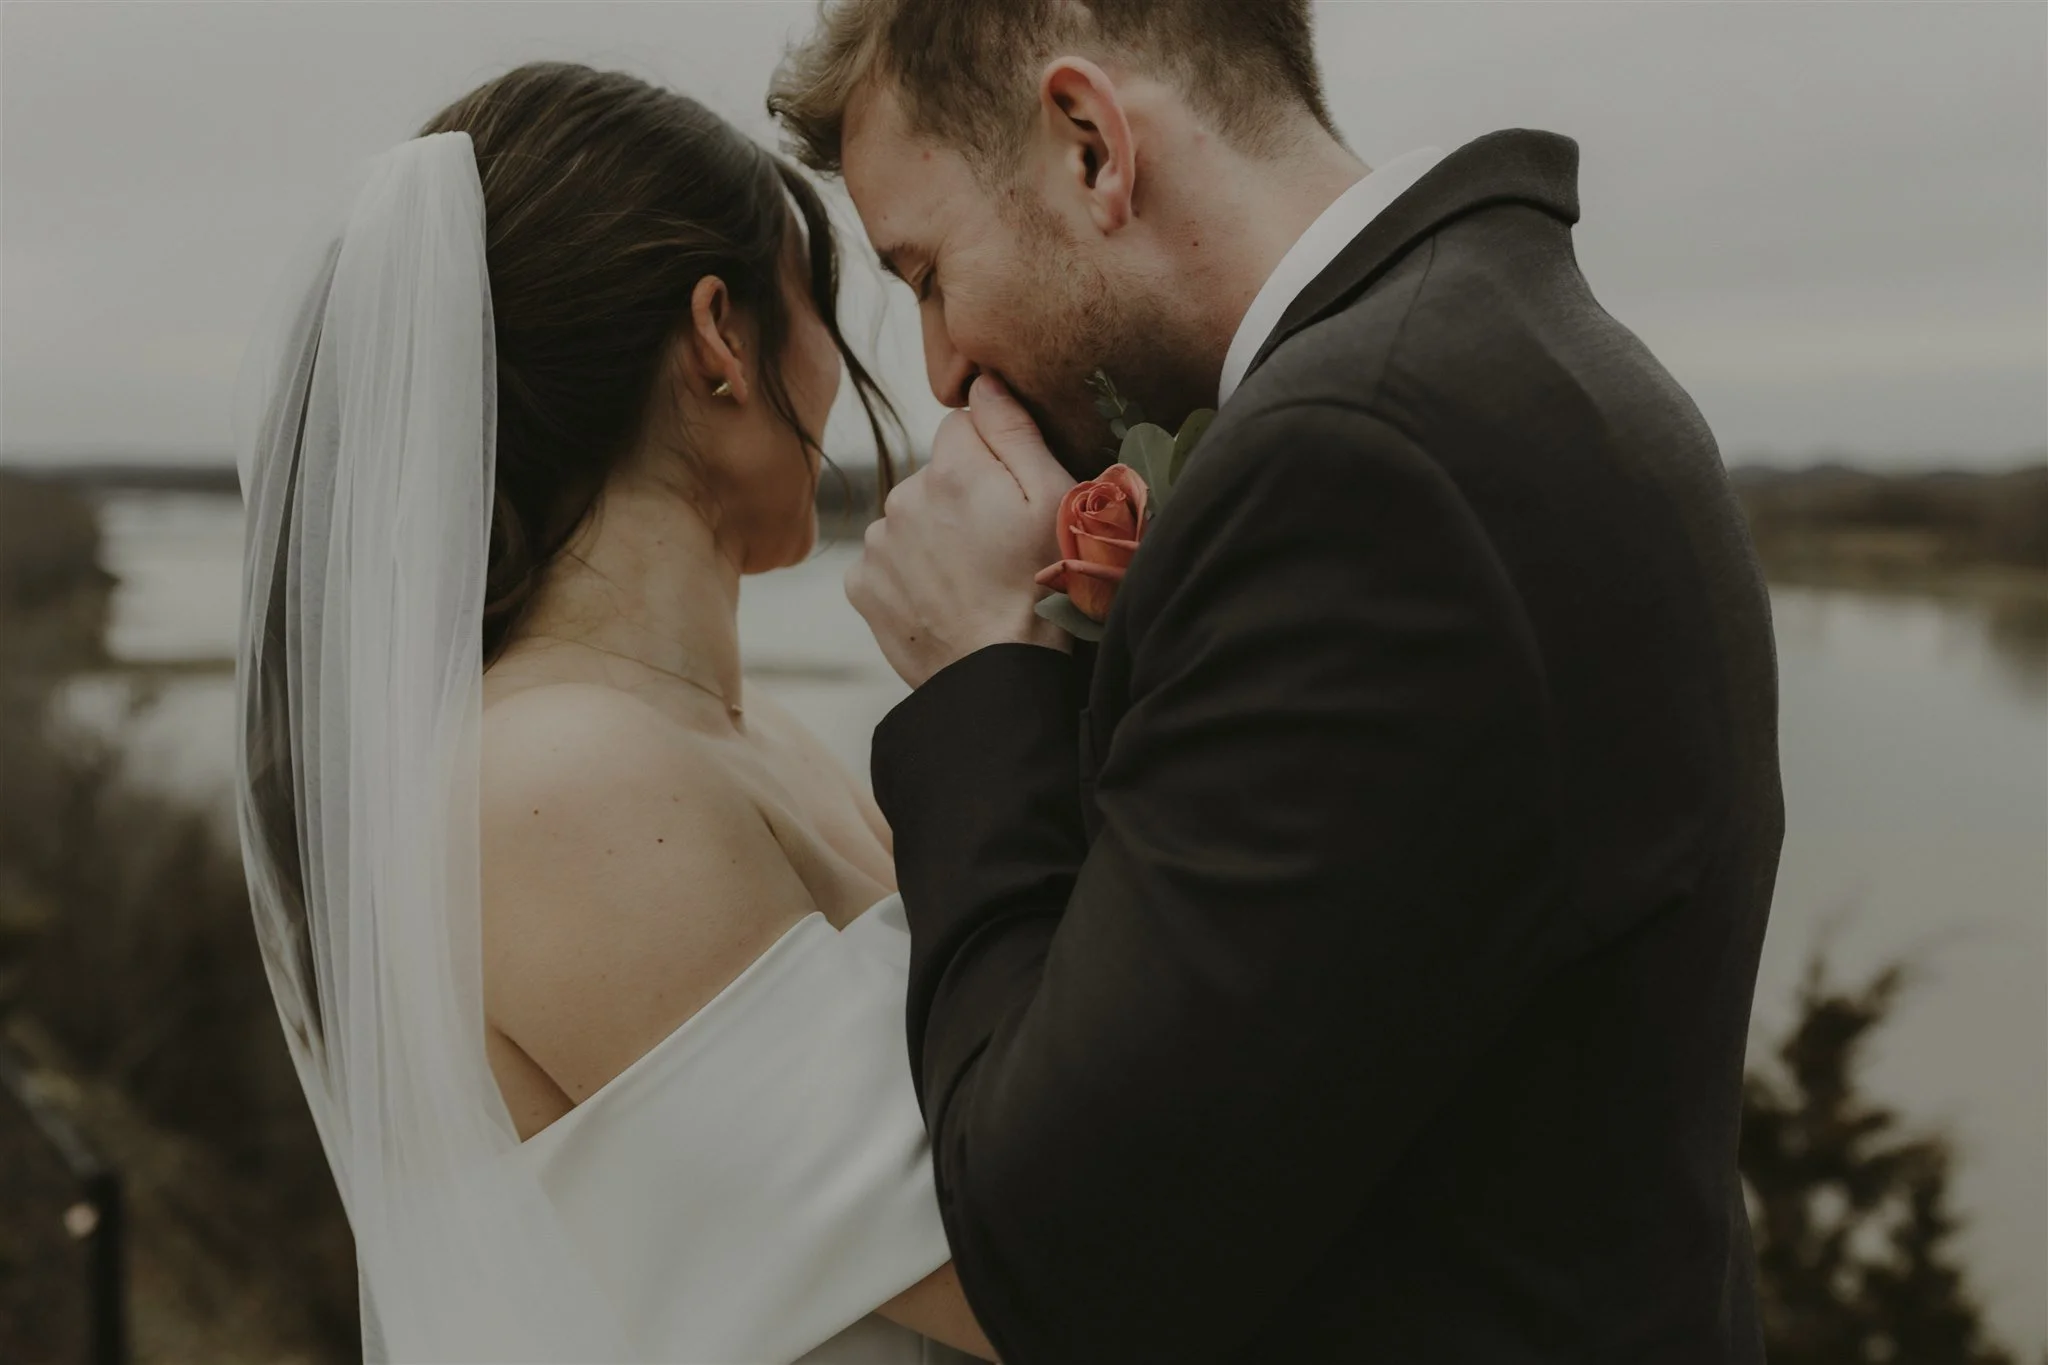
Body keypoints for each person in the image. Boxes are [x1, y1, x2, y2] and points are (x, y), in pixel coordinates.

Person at [769, 0, 1785, 1360]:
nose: (944, 370)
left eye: (926, 272)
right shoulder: (1511, 357)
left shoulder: (1362, 468)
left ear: (1091, 146)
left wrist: (975, 668)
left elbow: (1068, 1260)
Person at [235, 62, 990, 1363]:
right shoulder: (561, 785)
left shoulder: (756, 748)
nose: (865, 372)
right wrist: (996, 681)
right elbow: (1037, 1273)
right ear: (718, 337)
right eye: (824, 303)